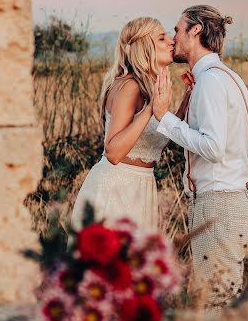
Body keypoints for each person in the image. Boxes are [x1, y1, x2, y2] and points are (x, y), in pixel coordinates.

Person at [153, 5, 248, 307]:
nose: (174, 38)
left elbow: (213, 147)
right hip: (226, 200)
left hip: (219, 206)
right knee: (220, 300)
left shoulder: (211, 81)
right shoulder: (223, 77)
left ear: (195, 30)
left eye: (177, 30)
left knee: (216, 304)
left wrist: (164, 117)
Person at [71, 17, 189, 232]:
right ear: (144, 47)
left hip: (142, 187)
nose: (171, 41)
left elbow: (157, 143)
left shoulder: (149, 86)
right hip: (116, 187)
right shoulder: (129, 86)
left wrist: (186, 99)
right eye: (162, 38)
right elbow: (113, 152)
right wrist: (150, 109)